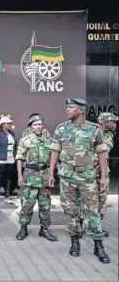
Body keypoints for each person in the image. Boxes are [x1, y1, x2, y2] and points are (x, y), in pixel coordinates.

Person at [49, 98, 110, 263]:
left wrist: (103, 176)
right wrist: (50, 174)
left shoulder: (94, 130)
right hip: (67, 178)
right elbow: (55, 151)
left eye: (71, 107)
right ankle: (74, 242)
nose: (67, 110)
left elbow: (102, 153)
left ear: (81, 110)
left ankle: (99, 246)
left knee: (93, 212)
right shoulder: (61, 129)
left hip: (87, 177)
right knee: (70, 212)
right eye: (67, 107)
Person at [15, 114, 58, 241]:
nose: (38, 127)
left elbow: (52, 158)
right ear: (30, 126)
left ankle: (44, 229)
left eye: (40, 124)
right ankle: (23, 228)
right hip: (30, 176)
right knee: (27, 204)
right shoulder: (25, 140)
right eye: (35, 124)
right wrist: (20, 176)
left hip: (44, 176)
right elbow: (19, 158)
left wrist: (52, 173)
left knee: (45, 205)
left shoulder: (48, 140)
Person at [78, 112, 118, 238]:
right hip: (90, 172)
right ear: (104, 123)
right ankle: (81, 227)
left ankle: (96, 227)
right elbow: (102, 152)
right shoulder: (91, 133)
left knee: (101, 200)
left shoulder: (108, 134)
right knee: (85, 199)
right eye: (112, 121)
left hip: (101, 172)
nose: (115, 124)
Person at [0, 116, 17, 205]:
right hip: (0, 159)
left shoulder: (12, 134)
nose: (10, 125)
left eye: (10, 123)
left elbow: (15, 146)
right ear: (3, 124)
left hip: (10, 159)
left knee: (8, 179)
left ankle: (7, 196)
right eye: (8, 123)